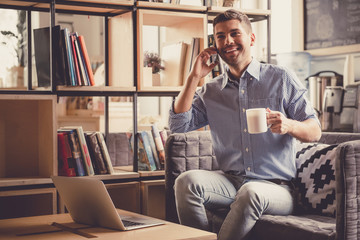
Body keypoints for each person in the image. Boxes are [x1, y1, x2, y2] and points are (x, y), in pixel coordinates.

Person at [168, 9, 321, 240]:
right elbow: (178, 127)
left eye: (234, 33)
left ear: (251, 38)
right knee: (185, 182)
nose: (227, 41)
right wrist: (193, 78)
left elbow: (315, 131)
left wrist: (289, 125)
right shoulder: (211, 90)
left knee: (251, 192)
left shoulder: (280, 78)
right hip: (231, 182)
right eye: (220, 36)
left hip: (277, 188)